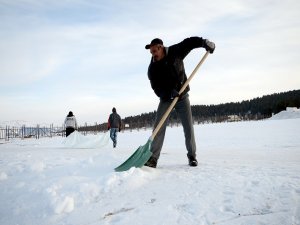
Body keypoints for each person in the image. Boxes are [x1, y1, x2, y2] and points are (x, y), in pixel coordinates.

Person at [144, 36, 215, 168]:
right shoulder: (152, 69)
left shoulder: (175, 51)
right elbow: (156, 88)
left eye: (154, 51)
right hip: (166, 99)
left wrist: (204, 43)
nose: (153, 55)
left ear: (161, 47)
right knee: (158, 127)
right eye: (151, 52)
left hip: (182, 97)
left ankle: (192, 156)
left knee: (188, 127)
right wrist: (167, 93)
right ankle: (153, 158)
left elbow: (189, 43)